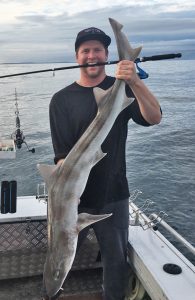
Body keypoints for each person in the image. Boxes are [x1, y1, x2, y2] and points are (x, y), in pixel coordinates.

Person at [47, 26, 162, 300]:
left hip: (114, 195)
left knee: (115, 264)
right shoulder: (60, 100)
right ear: (77, 57)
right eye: (85, 50)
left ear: (107, 55)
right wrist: (66, 201)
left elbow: (154, 117)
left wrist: (134, 80)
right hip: (74, 203)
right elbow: (62, 157)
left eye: (97, 50)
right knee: (59, 254)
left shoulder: (120, 88)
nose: (91, 55)